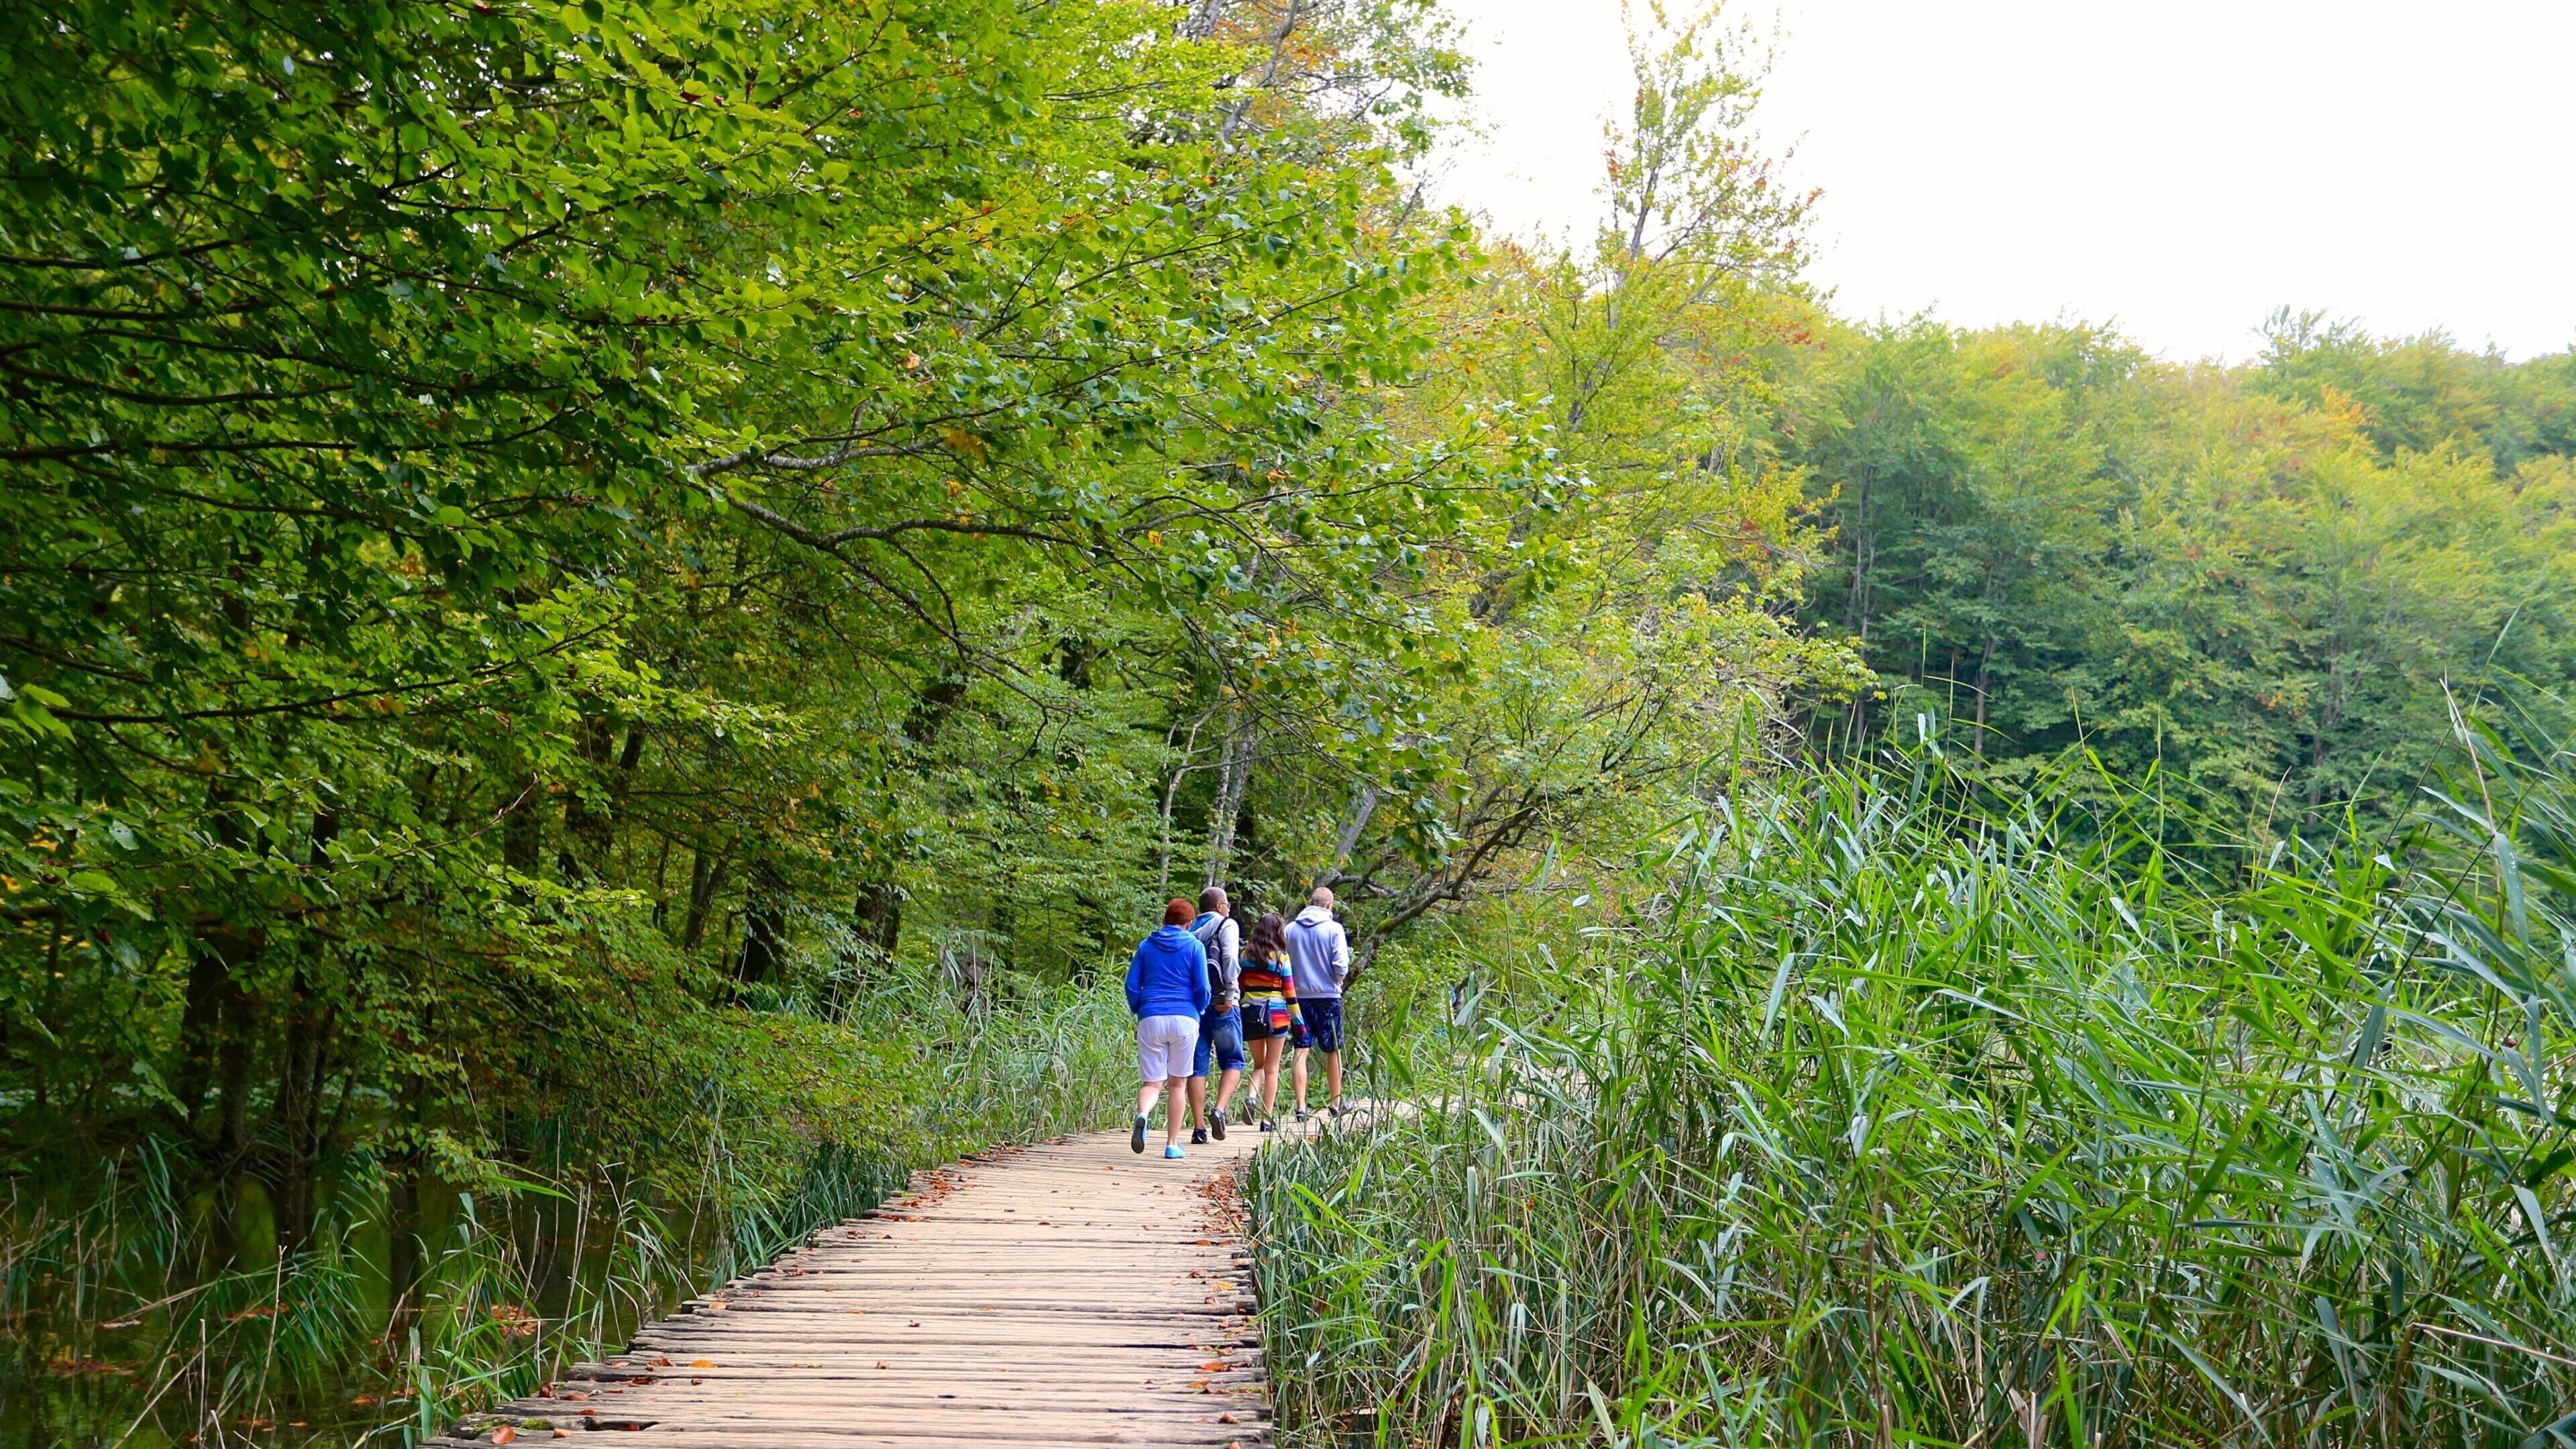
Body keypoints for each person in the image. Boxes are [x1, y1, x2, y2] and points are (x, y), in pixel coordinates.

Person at [1125, 897, 1210, 1159]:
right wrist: (1199, 1010)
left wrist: (1142, 1008)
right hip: (1184, 1018)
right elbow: (1203, 987)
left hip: (1151, 1016)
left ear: (1165, 920)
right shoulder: (1195, 946)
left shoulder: (1146, 947)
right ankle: (1172, 1144)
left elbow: (1131, 985)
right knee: (1177, 1084)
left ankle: (1144, 1114)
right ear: (1190, 922)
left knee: (1152, 1082)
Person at [1284, 885, 1351, 1120]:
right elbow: (1341, 964)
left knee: (1301, 1048)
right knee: (1333, 1050)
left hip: (1297, 996)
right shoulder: (1334, 929)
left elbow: (1283, 961)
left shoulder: (1290, 929)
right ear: (1329, 905)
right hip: (1328, 996)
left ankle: (1301, 1106)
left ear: (1310, 902)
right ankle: (1336, 1103)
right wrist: (1336, 980)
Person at [1186, 886, 1246, 1144]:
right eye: (1228, 904)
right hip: (1222, 1001)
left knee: (1196, 1067)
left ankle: (1199, 1129)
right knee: (1233, 1060)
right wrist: (1232, 993)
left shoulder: (1187, 931)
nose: (1229, 908)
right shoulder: (1227, 925)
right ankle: (1219, 1109)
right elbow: (1230, 957)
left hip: (1195, 1006)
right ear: (1220, 906)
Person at [1234, 910, 1297, 1130]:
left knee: (1259, 1064)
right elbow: (1289, 992)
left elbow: (1239, 987)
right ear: (1279, 932)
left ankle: (1251, 1097)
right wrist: (1298, 1021)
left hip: (1250, 1014)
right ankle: (1266, 1119)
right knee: (1272, 1069)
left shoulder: (1244, 956)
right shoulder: (1281, 958)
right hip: (1276, 1017)